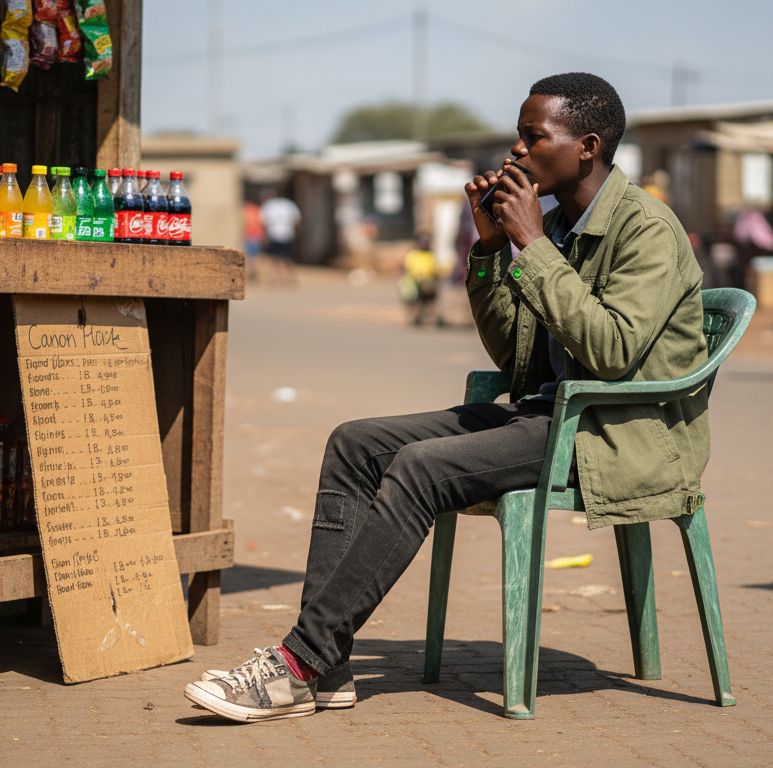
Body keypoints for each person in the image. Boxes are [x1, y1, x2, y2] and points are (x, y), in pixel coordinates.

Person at [183, 72, 710, 723]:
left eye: (531, 137)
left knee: (422, 467)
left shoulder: (646, 230)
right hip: (549, 413)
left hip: (614, 431)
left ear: (587, 147)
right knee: (356, 442)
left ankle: (299, 662)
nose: (515, 153)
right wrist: (490, 250)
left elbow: (610, 352)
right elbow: (513, 356)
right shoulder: (558, 227)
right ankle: (327, 669)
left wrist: (532, 246)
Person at [400, 235, 450, 326]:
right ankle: (417, 315)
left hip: (429, 282)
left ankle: (434, 316)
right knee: (420, 295)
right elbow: (409, 270)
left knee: (432, 294)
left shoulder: (431, 255)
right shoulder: (413, 255)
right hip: (416, 282)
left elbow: (437, 270)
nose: (425, 245)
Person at [260, 191, 302, 283]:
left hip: (274, 235)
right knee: (287, 257)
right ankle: (290, 277)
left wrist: (265, 236)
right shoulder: (289, 204)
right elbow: (297, 219)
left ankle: (278, 278)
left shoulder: (269, 206)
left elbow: (264, 223)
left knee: (276, 257)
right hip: (287, 234)